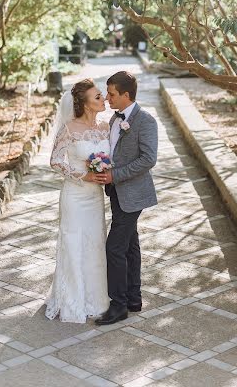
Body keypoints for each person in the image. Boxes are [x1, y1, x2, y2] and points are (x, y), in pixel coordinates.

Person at [95, 71, 158, 326]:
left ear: (125, 95)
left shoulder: (145, 121)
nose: (107, 98)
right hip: (116, 192)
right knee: (131, 245)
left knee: (115, 247)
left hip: (133, 194)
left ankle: (118, 305)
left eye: (111, 94)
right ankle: (134, 298)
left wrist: (115, 175)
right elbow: (113, 152)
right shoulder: (114, 119)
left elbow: (148, 159)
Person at [45, 79, 110, 323]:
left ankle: (97, 300)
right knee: (74, 243)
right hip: (74, 195)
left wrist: (105, 172)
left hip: (95, 198)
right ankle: (73, 301)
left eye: (102, 95)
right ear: (84, 104)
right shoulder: (70, 128)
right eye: (97, 97)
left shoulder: (105, 127)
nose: (103, 99)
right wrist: (84, 175)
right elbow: (55, 160)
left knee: (94, 245)